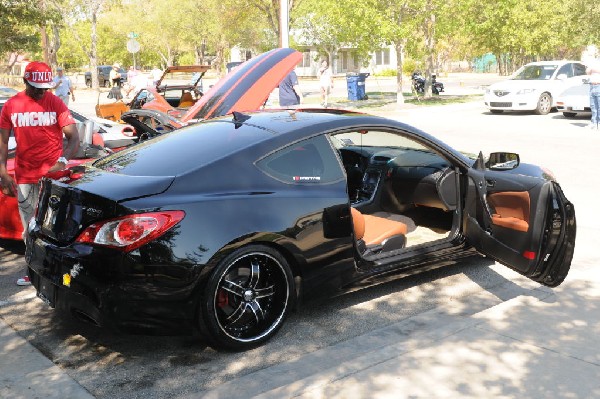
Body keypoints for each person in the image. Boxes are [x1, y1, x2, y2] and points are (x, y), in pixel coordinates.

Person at [0, 61, 79, 286]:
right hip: (24, 177)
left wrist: (62, 162)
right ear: (25, 81)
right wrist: (3, 173)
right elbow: (3, 141)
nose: (41, 92)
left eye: (45, 87)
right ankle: (32, 271)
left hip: (53, 179)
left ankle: (59, 275)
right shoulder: (12, 105)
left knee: (56, 229)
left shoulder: (55, 103)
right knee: (30, 228)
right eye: (36, 87)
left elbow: (74, 137)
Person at [586, 59, 600, 130]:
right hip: (592, 86)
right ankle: (593, 122)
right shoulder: (593, 63)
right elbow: (588, 72)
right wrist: (592, 68)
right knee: (593, 106)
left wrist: (593, 69)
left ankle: (598, 123)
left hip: (598, 86)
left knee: (599, 106)